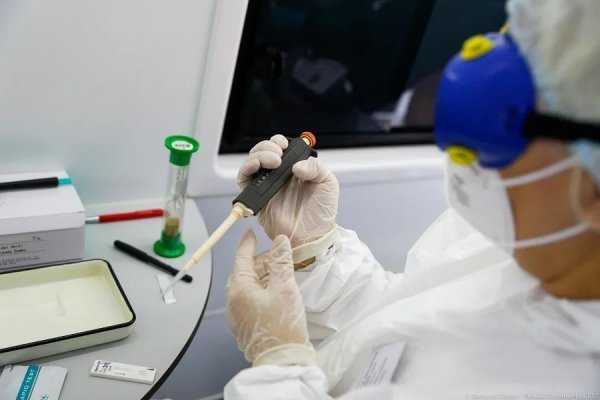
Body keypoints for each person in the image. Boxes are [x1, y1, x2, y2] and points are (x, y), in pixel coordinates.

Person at [223, 1, 600, 398]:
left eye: (504, 123)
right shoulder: (513, 240)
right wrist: (316, 251)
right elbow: (395, 322)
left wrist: (280, 370)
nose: (464, 153)